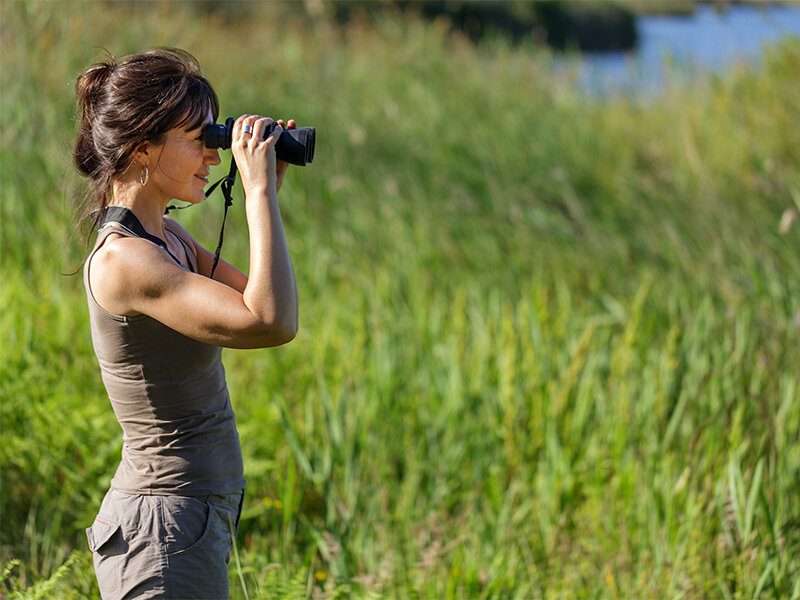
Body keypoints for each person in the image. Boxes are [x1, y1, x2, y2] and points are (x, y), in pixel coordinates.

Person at [73, 47, 298, 599]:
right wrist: (257, 191)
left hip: (185, 522)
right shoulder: (125, 260)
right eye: (198, 140)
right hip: (162, 531)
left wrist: (272, 185)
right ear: (144, 147)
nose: (213, 157)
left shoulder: (169, 240)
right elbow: (271, 322)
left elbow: (261, 298)